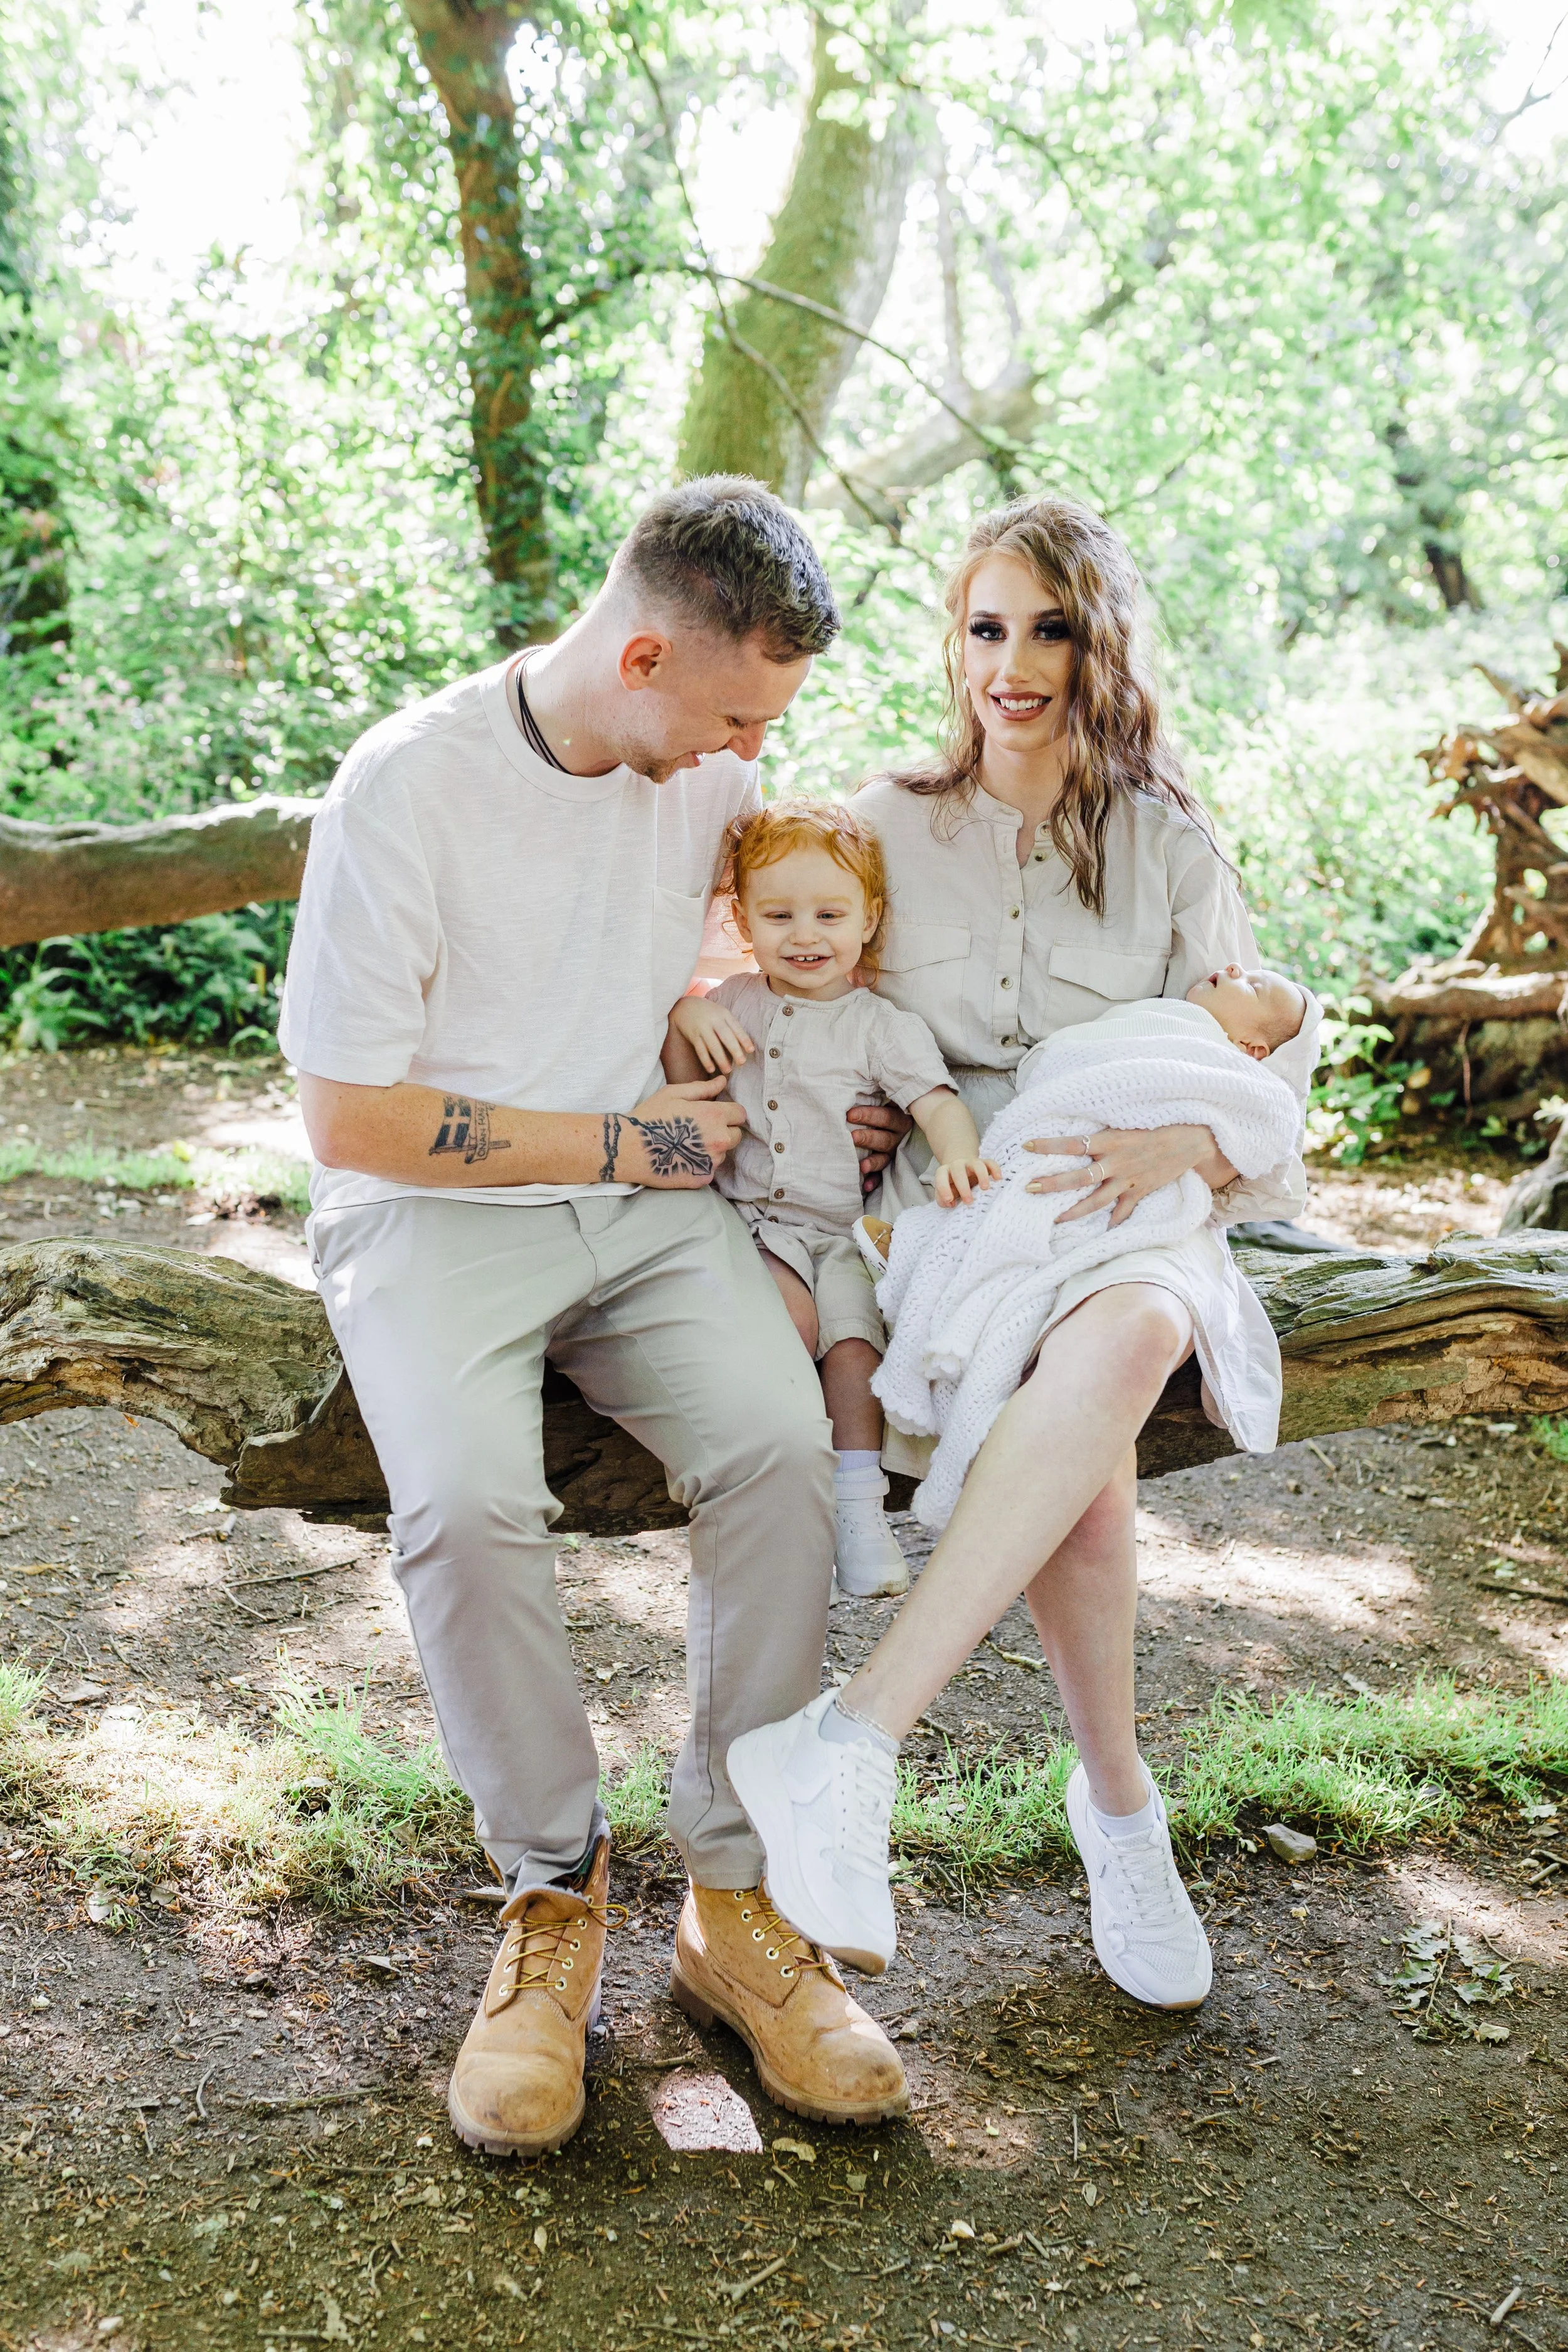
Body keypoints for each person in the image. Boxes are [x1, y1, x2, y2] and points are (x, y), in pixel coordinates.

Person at [280, 478, 911, 2159]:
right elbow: (347, 1117)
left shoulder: (703, 754)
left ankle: (730, 1890)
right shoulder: (407, 788)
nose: (745, 748)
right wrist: (628, 1133)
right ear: (639, 652)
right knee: (472, 1506)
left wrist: (715, 1009)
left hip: (644, 1207)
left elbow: (735, 914)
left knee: (783, 1444)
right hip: (431, 1210)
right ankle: (553, 1895)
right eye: (730, 708)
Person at [724, 494, 1307, 2008]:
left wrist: (1185, 1146)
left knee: (1129, 1330)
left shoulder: (1170, 845)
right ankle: (1118, 1806)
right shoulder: (889, 817)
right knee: (1091, 1448)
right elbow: (804, 986)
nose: (1015, 663)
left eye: (1048, 628)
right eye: (988, 627)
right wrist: (838, 1118)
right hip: (963, 1223)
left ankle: (859, 1735)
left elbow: (1262, 1074)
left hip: (1133, 1212)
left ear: (1095, 644)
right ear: (956, 643)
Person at [664, 799, 997, 1597]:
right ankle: (777, 1497)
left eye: (829, 914)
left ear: (869, 918)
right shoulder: (734, 1001)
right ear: (743, 919)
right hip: (752, 1225)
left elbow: (937, 1102)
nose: (804, 935)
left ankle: (860, 1511)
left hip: (844, 1233)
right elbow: (682, 1083)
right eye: (778, 915)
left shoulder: (879, 1025)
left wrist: (957, 1156)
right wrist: (685, 1008)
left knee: (855, 1351)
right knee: (790, 1322)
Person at [869, 965, 1318, 1531]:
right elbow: (1056, 1065)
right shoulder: (1141, 1022)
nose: (1233, 969)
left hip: (1128, 1191)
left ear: (1249, 1046)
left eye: (1253, 986)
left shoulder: (1220, 1061)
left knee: (1039, 1286)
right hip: (1030, 1152)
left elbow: (1270, 1120)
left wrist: (1193, 1139)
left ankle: (967, 1329)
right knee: (1072, 1403)